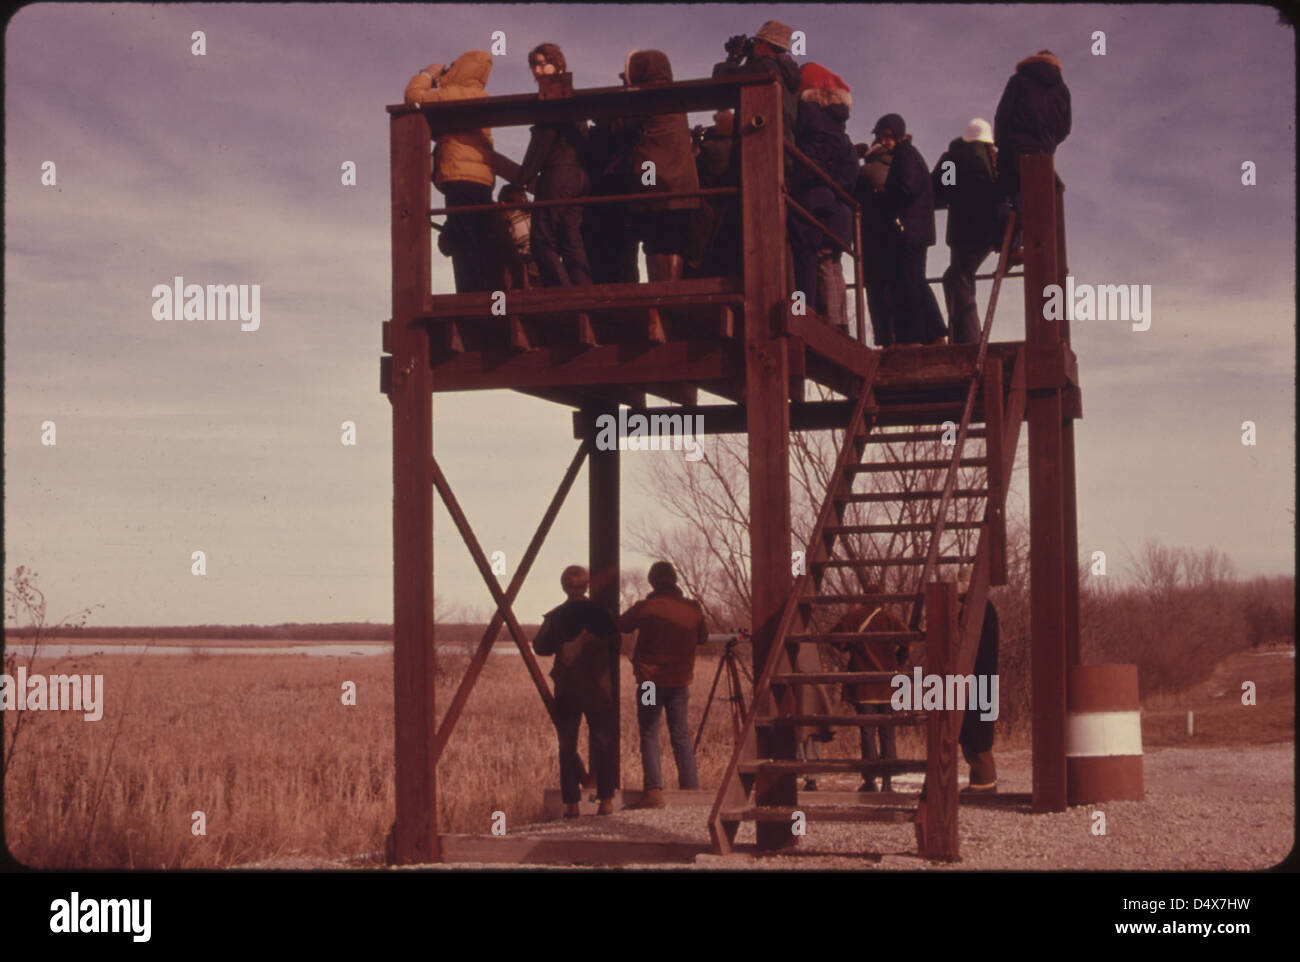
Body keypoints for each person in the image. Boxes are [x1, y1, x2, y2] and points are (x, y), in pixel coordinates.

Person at [617, 561, 709, 808]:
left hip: (649, 683)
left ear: (653, 582)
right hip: (679, 683)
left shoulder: (644, 608)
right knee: (680, 734)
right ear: (675, 580)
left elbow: (620, 625)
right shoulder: (693, 608)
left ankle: (654, 792)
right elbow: (703, 638)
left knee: (649, 732)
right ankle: (691, 790)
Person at [532, 565, 620, 818]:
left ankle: (571, 804)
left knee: (567, 745)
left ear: (563, 587)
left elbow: (541, 647)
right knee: (603, 743)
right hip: (600, 689)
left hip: (568, 689)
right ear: (587, 585)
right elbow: (616, 645)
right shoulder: (603, 615)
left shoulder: (556, 616)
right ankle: (606, 800)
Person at [404, 51, 496, 293]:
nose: (449, 69)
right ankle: (483, 291)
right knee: (475, 235)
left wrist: (427, 74)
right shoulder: (477, 93)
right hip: (481, 178)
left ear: (464, 69)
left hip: (460, 176)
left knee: (464, 239)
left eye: (454, 65)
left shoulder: (458, 93)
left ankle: (470, 293)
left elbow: (413, 98)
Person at [613, 50, 701, 282]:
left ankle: (658, 296)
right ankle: (670, 293)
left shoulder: (645, 96)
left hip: (651, 180)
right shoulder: (676, 97)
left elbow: (621, 127)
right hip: (682, 184)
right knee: (673, 241)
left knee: (653, 239)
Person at [512, 44, 593, 286]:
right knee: (570, 236)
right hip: (578, 175)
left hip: (558, 172)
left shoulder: (553, 94)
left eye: (544, 63)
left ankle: (562, 291)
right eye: (534, 65)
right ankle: (582, 290)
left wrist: (521, 179)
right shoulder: (571, 95)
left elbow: (542, 141)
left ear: (559, 66)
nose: (538, 70)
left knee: (541, 239)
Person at [789, 63, 858, 336]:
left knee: (807, 258)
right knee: (831, 263)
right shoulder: (840, 130)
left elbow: (804, 159)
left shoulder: (806, 115)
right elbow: (851, 172)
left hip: (811, 200)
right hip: (837, 207)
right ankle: (838, 324)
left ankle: (806, 316)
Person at [874, 113, 948, 346]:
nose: (883, 141)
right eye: (880, 137)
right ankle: (935, 334)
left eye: (887, 136)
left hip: (909, 230)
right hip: (918, 229)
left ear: (897, 135)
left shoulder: (904, 155)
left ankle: (914, 338)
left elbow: (905, 188)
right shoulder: (911, 155)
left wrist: (883, 198)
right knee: (915, 281)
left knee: (908, 284)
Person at [994, 50, 1072, 257]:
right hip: (1041, 156)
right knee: (1029, 200)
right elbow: (1065, 127)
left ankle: (1007, 245)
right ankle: (1017, 247)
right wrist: (1049, 144)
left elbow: (1002, 115)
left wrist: (1001, 143)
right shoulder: (1062, 89)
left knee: (1005, 195)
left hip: (1013, 150)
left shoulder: (1018, 80)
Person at [932, 118, 1001, 345]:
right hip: (990, 231)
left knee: (959, 278)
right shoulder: (994, 160)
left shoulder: (953, 159)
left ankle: (968, 339)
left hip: (964, 230)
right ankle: (962, 336)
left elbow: (942, 190)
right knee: (956, 277)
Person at [830, 603, 910, 792]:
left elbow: (836, 639)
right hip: (889, 685)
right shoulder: (890, 617)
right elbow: (907, 639)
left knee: (867, 733)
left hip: (863, 686)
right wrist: (898, 660)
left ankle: (870, 779)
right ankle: (888, 781)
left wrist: (852, 649)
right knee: (887, 733)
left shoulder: (853, 617)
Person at [712, 20, 800, 149]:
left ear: (763, 43)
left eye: (755, 41)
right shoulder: (788, 73)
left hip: (760, 151)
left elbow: (721, 80)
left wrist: (734, 56)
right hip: (783, 149)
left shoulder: (765, 67)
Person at [854, 140, 898, 347]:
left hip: (871, 237)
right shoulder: (896, 168)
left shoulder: (867, 171)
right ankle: (900, 335)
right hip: (894, 236)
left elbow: (850, 185)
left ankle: (884, 338)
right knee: (894, 286)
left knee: (875, 289)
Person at [959, 588, 1000, 793]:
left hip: (976, 678)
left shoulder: (977, 610)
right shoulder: (984, 608)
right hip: (981, 678)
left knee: (975, 733)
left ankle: (984, 783)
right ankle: (981, 781)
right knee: (976, 731)